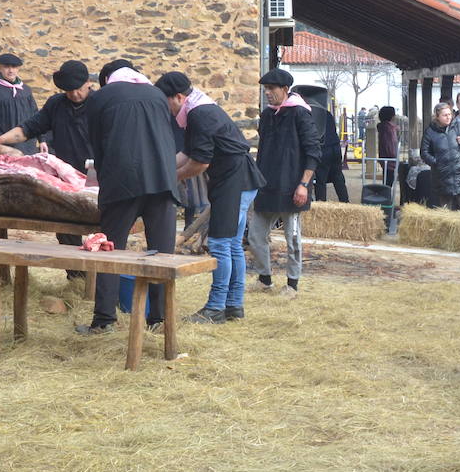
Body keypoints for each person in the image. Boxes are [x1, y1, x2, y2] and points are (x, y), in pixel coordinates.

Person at [76, 59, 179, 333]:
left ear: (108, 79)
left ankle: (104, 321)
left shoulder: (102, 97)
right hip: (162, 181)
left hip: (122, 183)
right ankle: (159, 320)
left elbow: (96, 144)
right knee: (162, 256)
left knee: (110, 251)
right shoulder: (157, 94)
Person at [156, 71, 264, 323]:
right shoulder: (197, 110)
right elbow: (188, 153)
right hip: (239, 178)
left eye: (167, 101)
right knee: (232, 244)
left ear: (179, 97)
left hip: (234, 180)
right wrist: (163, 170)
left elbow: (200, 163)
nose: (166, 108)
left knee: (220, 244)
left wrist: (170, 180)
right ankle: (234, 305)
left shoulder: (199, 114)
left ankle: (215, 308)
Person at [0, 59, 95, 259]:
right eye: (69, 91)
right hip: (65, 177)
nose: (74, 94)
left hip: (96, 174)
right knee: (67, 229)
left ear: (88, 82)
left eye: (78, 89)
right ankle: (75, 277)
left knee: (98, 229)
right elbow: (28, 129)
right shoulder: (56, 104)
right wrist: (0, 139)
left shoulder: (101, 103)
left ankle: (98, 281)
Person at [250, 68, 321, 297]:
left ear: (284, 89)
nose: (267, 93)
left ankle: (292, 284)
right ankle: (265, 279)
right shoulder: (268, 115)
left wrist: (304, 184)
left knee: (292, 238)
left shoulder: (300, 113)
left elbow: (313, 152)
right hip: (267, 185)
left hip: (292, 186)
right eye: (265, 89)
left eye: (271, 89)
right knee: (256, 235)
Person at [0, 52, 38, 154]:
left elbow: (36, 116)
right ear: (0, 68)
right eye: (6, 67)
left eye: (14, 67)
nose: (10, 70)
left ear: (18, 69)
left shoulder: (26, 90)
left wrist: (42, 140)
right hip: (6, 147)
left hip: (29, 145)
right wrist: (1, 138)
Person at [420, 102, 460, 211]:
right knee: (446, 211)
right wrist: (436, 162)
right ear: (437, 116)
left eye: (450, 114)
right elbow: (424, 153)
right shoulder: (430, 132)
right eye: (445, 115)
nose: (448, 117)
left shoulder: (459, 126)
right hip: (442, 176)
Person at [311, 99, 349, 203]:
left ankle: (321, 205)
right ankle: (345, 202)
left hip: (323, 149)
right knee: (338, 177)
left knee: (320, 180)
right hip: (335, 148)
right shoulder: (327, 113)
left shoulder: (311, 114)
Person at [376, 105, 399, 186]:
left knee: (387, 181)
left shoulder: (384, 127)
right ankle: (386, 198)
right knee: (388, 183)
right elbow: (390, 145)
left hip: (385, 158)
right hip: (390, 160)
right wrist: (394, 156)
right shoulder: (388, 129)